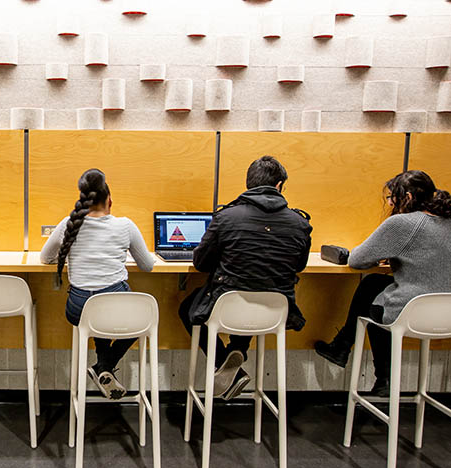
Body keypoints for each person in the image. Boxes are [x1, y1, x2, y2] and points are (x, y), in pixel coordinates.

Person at [179, 156, 312, 400]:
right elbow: (299, 265)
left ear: (248, 184)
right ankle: (238, 349)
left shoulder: (226, 218)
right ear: (280, 185)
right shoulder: (300, 224)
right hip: (274, 313)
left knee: (188, 309)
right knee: (256, 291)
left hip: (229, 306)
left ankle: (226, 363)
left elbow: (201, 263)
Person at [314, 170, 451, 396]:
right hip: (446, 315)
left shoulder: (402, 223)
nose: (389, 202)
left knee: (375, 298)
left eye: (391, 197)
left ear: (406, 197)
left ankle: (364, 361)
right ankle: (349, 352)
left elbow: (357, 260)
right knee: (375, 285)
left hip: (411, 315)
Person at [40, 168, 154, 399]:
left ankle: (104, 367)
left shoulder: (68, 224)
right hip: (113, 305)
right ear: (110, 200)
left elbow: (45, 257)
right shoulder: (125, 225)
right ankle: (105, 365)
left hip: (79, 307)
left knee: (100, 309)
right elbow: (147, 266)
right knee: (139, 316)